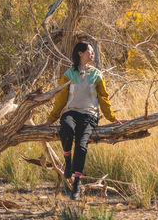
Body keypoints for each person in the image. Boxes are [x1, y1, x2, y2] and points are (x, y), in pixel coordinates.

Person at [47, 41, 123, 200]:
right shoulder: (69, 74)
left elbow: (103, 98)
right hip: (71, 112)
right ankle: (67, 159)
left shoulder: (97, 75)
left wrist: (112, 118)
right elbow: (61, 98)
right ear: (80, 53)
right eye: (90, 51)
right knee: (66, 129)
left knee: (81, 145)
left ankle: (76, 183)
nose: (93, 54)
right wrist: (51, 119)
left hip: (89, 115)